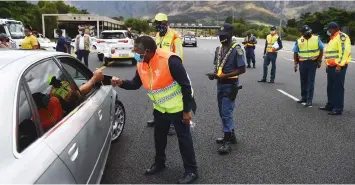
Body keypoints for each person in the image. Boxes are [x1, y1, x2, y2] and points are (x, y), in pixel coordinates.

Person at [111, 36, 198, 184]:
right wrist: (121, 83)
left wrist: (186, 110)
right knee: (159, 138)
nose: (136, 54)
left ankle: (191, 170)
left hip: (178, 107)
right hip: (160, 108)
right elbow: (135, 84)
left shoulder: (170, 60)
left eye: (138, 51)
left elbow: (186, 86)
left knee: (184, 139)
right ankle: (159, 163)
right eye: (134, 50)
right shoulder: (141, 64)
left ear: (149, 51)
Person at [206, 23, 246, 155]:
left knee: (226, 112)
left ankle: (227, 141)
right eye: (220, 35)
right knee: (221, 111)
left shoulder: (237, 49)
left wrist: (225, 75)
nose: (221, 38)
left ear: (230, 35)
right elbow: (217, 67)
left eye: (224, 35)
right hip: (220, 84)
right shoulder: (219, 49)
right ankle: (230, 135)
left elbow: (242, 69)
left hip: (230, 85)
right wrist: (214, 75)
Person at [146, 13, 184, 135]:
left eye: (159, 23)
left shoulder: (175, 36)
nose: (157, 26)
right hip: (157, 71)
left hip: (171, 71)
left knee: (172, 97)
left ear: (165, 23)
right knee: (157, 94)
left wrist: (177, 72)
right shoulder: (157, 35)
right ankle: (158, 118)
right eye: (156, 23)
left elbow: (179, 55)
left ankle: (172, 123)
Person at [319, 22, 352, 116]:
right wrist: (327, 64)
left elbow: (344, 52)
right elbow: (330, 54)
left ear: (334, 29)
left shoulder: (342, 37)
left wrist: (339, 65)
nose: (328, 31)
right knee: (330, 87)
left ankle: (338, 108)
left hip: (338, 67)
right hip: (331, 66)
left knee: (338, 87)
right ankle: (330, 105)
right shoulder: (333, 38)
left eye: (329, 30)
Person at [293, 25, 324, 107]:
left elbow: (321, 49)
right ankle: (304, 97)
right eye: (305, 32)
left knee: (310, 81)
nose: (308, 33)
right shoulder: (299, 40)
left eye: (308, 31)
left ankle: (309, 100)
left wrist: (319, 60)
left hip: (312, 63)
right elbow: (295, 52)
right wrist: (295, 63)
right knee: (303, 81)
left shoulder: (316, 38)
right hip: (302, 63)